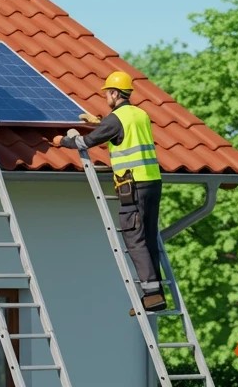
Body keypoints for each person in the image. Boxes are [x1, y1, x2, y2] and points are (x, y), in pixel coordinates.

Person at [54, 70, 167, 313]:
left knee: (133, 238)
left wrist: (61, 141)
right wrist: (100, 123)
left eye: (108, 93)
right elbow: (123, 133)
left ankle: (150, 292)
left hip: (132, 185)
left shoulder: (115, 119)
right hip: (152, 182)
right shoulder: (141, 114)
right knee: (148, 237)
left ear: (115, 93)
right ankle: (156, 294)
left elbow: (85, 142)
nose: (106, 96)